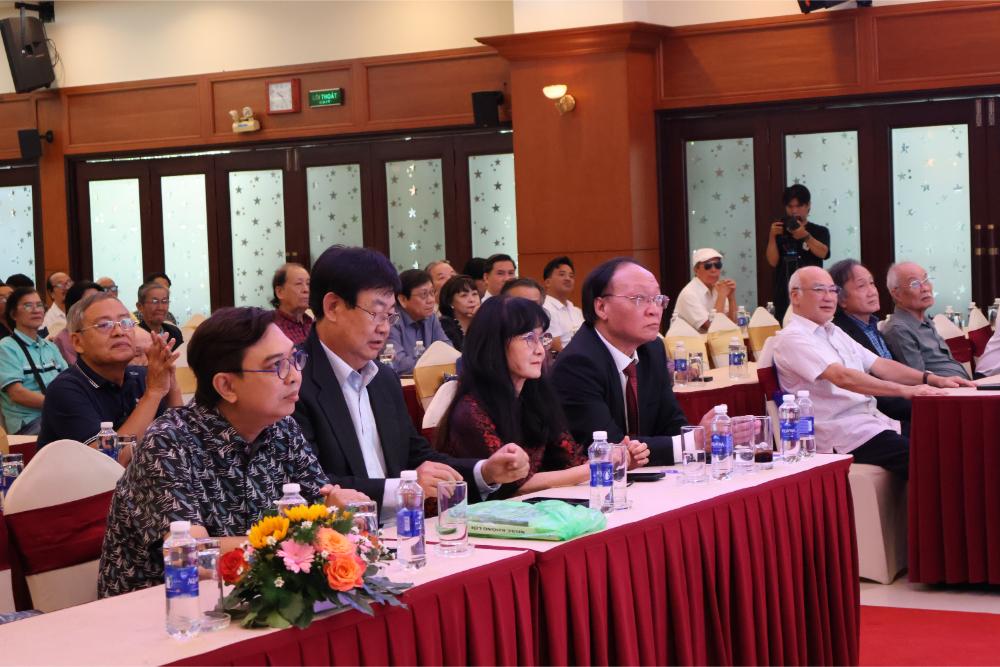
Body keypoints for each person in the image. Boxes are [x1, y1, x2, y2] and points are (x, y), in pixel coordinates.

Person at [97, 307, 369, 598]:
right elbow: (191, 553)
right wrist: (302, 542)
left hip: (255, 595)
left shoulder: (282, 428)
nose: (294, 376)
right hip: (163, 609)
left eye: (295, 359)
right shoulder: (169, 441)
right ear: (226, 385)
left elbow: (319, 503)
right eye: (277, 365)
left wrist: (334, 509)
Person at [292, 245, 531, 520]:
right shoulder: (294, 381)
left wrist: (484, 471)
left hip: (401, 534)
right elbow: (310, 484)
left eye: (390, 316)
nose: (384, 328)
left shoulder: (383, 379)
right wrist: (403, 488)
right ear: (333, 307)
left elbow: (417, 456)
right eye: (375, 313)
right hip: (336, 538)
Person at [437, 296, 650, 499]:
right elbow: (512, 485)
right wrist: (599, 466)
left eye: (542, 338)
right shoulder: (471, 410)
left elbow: (571, 460)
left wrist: (619, 460)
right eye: (529, 338)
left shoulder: (535, 395)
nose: (540, 350)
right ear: (495, 344)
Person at [772, 267, 972, 479]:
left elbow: (880, 365)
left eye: (832, 290)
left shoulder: (832, 330)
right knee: (929, 459)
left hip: (873, 422)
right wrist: (905, 390)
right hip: (843, 434)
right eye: (819, 290)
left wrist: (933, 379)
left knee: (950, 441)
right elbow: (842, 377)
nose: (829, 297)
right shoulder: (792, 338)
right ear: (796, 296)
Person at [551, 258, 716, 465]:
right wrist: (692, 443)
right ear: (601, 307)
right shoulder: (576, 364)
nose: (654, 310)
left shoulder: (652, 349)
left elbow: (671, 423)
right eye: (639, 299)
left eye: (658, 299)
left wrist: (698, 439)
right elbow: (609, 448)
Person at [37, 291, 183, 456]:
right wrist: (153, 393)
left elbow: (182, 440)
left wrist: (171, 381)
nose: (119, 331)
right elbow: (108, 461)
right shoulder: (65, 390)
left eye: (125, 322)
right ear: (77, 342)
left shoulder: (141, 377)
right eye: (104, 325)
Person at [829, 258, 911, 423]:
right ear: (841, 299)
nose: (872, 291)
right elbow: (871, 391)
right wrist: (919, 402)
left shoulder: (873, 327)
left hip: (902, 402)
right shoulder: (840, 333)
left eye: (872, 283)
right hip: (880, 415)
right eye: (861, 286)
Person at [881, 262, 971, 380]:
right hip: (946, 390)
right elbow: (919, 380)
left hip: (963, 385)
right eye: (915, 283)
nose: (926, 288)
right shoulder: (898, 329)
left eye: (926, 280)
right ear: (897, 294)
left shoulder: (925, 321)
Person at [0, 287, 68, 435]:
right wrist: (59, 405)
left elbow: (68, 381)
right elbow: (17, 393)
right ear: (13, 314)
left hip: (57, 415)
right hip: (29, 423)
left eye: (39, 305)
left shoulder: (50, 346)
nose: (36, 310)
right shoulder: (6, 347)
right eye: (28, 305)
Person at [766, 184, 831, 321]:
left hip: (812, 292)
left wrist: (806, 236)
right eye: (790, 207)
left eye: (799, 206)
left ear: (808, 205)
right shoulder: (779, 230)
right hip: (784, 293)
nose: (794, 211)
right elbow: (772, 262)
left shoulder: (819, 231)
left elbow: (823, 253)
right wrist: (772, 237)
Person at [384, 268, 452, 375]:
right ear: (403, 300)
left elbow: (448, 350)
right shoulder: (391, 320)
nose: (431, 300)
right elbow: (398, 364)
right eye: (424, 295)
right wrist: (435, 365)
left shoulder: (431, 317)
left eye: (432, 292)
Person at [674, 248, 737, 332]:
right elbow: (712, 327)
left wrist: (731, 296)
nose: (713, 270)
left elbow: (733, 324)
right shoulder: (689, 293)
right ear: (696, 270)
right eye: (708, 266)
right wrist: (722, 296)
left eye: (717, 265)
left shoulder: (718, 288)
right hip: (686, 340)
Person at [53, 280, 103, 365]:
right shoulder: (63, 340)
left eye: (100, 301)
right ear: (73, 308)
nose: (98, 306)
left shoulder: (111, 330)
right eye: (90, 302)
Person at [542, 256, 584, 350]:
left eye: (571, 276)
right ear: (548, 282)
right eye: (562, 274)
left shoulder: (576, 311)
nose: (568, 278)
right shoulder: (545, 309)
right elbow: (554, 347)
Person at [270, 262, 312, 346]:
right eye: (298, 283)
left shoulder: (313, 324)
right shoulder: (272, 329)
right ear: (280, 292)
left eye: (308, 284)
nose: (306, 290)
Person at [135, 281, 184, 350]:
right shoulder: (135, 336)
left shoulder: (175, 332)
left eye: (164, 301)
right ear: (140, 307)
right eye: (154, 302)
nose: (160, 308)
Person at [437, 274, 480, 352]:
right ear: (450, 302)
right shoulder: (444, 325)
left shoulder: (484, 321)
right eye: (464, 295)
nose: (472, 300)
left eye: (474, 294)